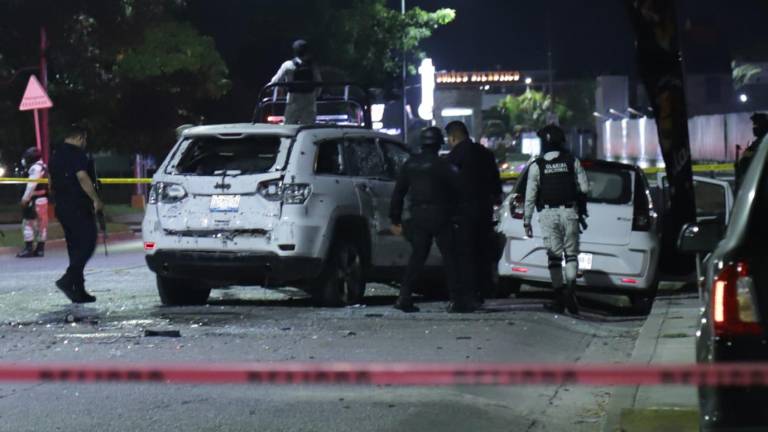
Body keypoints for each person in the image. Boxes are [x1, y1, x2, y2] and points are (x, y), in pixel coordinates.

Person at [389, 127, 472, 313]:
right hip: (441, 215)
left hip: (418, 215)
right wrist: (459, 213)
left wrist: (395, 218)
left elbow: (398, 193)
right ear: (438, 144)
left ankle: (404, 296)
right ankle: (456, 300)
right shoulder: (443, 165)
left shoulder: (410, 164)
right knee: (450, 258)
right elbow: (460, 190)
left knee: (417, 257)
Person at [523, 124, 590, 315]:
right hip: (570, 213)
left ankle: (560, 296)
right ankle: (570, 290)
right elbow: (584, 189)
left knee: (554, 257)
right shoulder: (572, 161)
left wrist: (527, 220)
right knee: (571, 255)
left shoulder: (537, 166)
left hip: (548, 214)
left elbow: (530, 195)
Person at [444, 121, 503, 304]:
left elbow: (448, 185)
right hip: (484, 209)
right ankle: (483, 290)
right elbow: (495, 183)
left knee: (465, 253)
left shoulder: (454, 157)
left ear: (453, 137)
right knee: (482, 251)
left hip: (463, 211)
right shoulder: (485, 153)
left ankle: (468, 292)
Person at [48, 124, 103, 303]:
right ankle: (68, 279)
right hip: (78, 205)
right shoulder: (77, 154)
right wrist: (95, 199)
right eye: (85, 139)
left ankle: (78, 291)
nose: (85, 143)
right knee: (88, 242)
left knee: (74, 247)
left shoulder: (55, 155)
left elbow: (50, 182)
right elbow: (82, 177)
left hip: (62, 207)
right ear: (80, 138)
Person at [269, 39, 322, 125]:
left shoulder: (287, 65)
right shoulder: (313, 66)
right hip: (309, 102)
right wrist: (314, 96)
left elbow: (275, 81)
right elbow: (319, 84)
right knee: (308, 129)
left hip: (293, 101)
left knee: (288, 127)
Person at [16, 147, 49, 258]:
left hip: (34, 200)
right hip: (43, 199)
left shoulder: (35, 168)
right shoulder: (44, 166)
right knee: (42, 225)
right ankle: (40, 249)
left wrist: (25, 198)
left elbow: (31, 185)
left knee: (27, 224)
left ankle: (28, 249)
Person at [735, 113, 768, 191]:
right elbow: (744, 159)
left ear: (763, 126)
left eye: (756, 125)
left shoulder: (763, 143)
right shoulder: (757, 143)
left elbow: (747, 161)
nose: (753, 128)